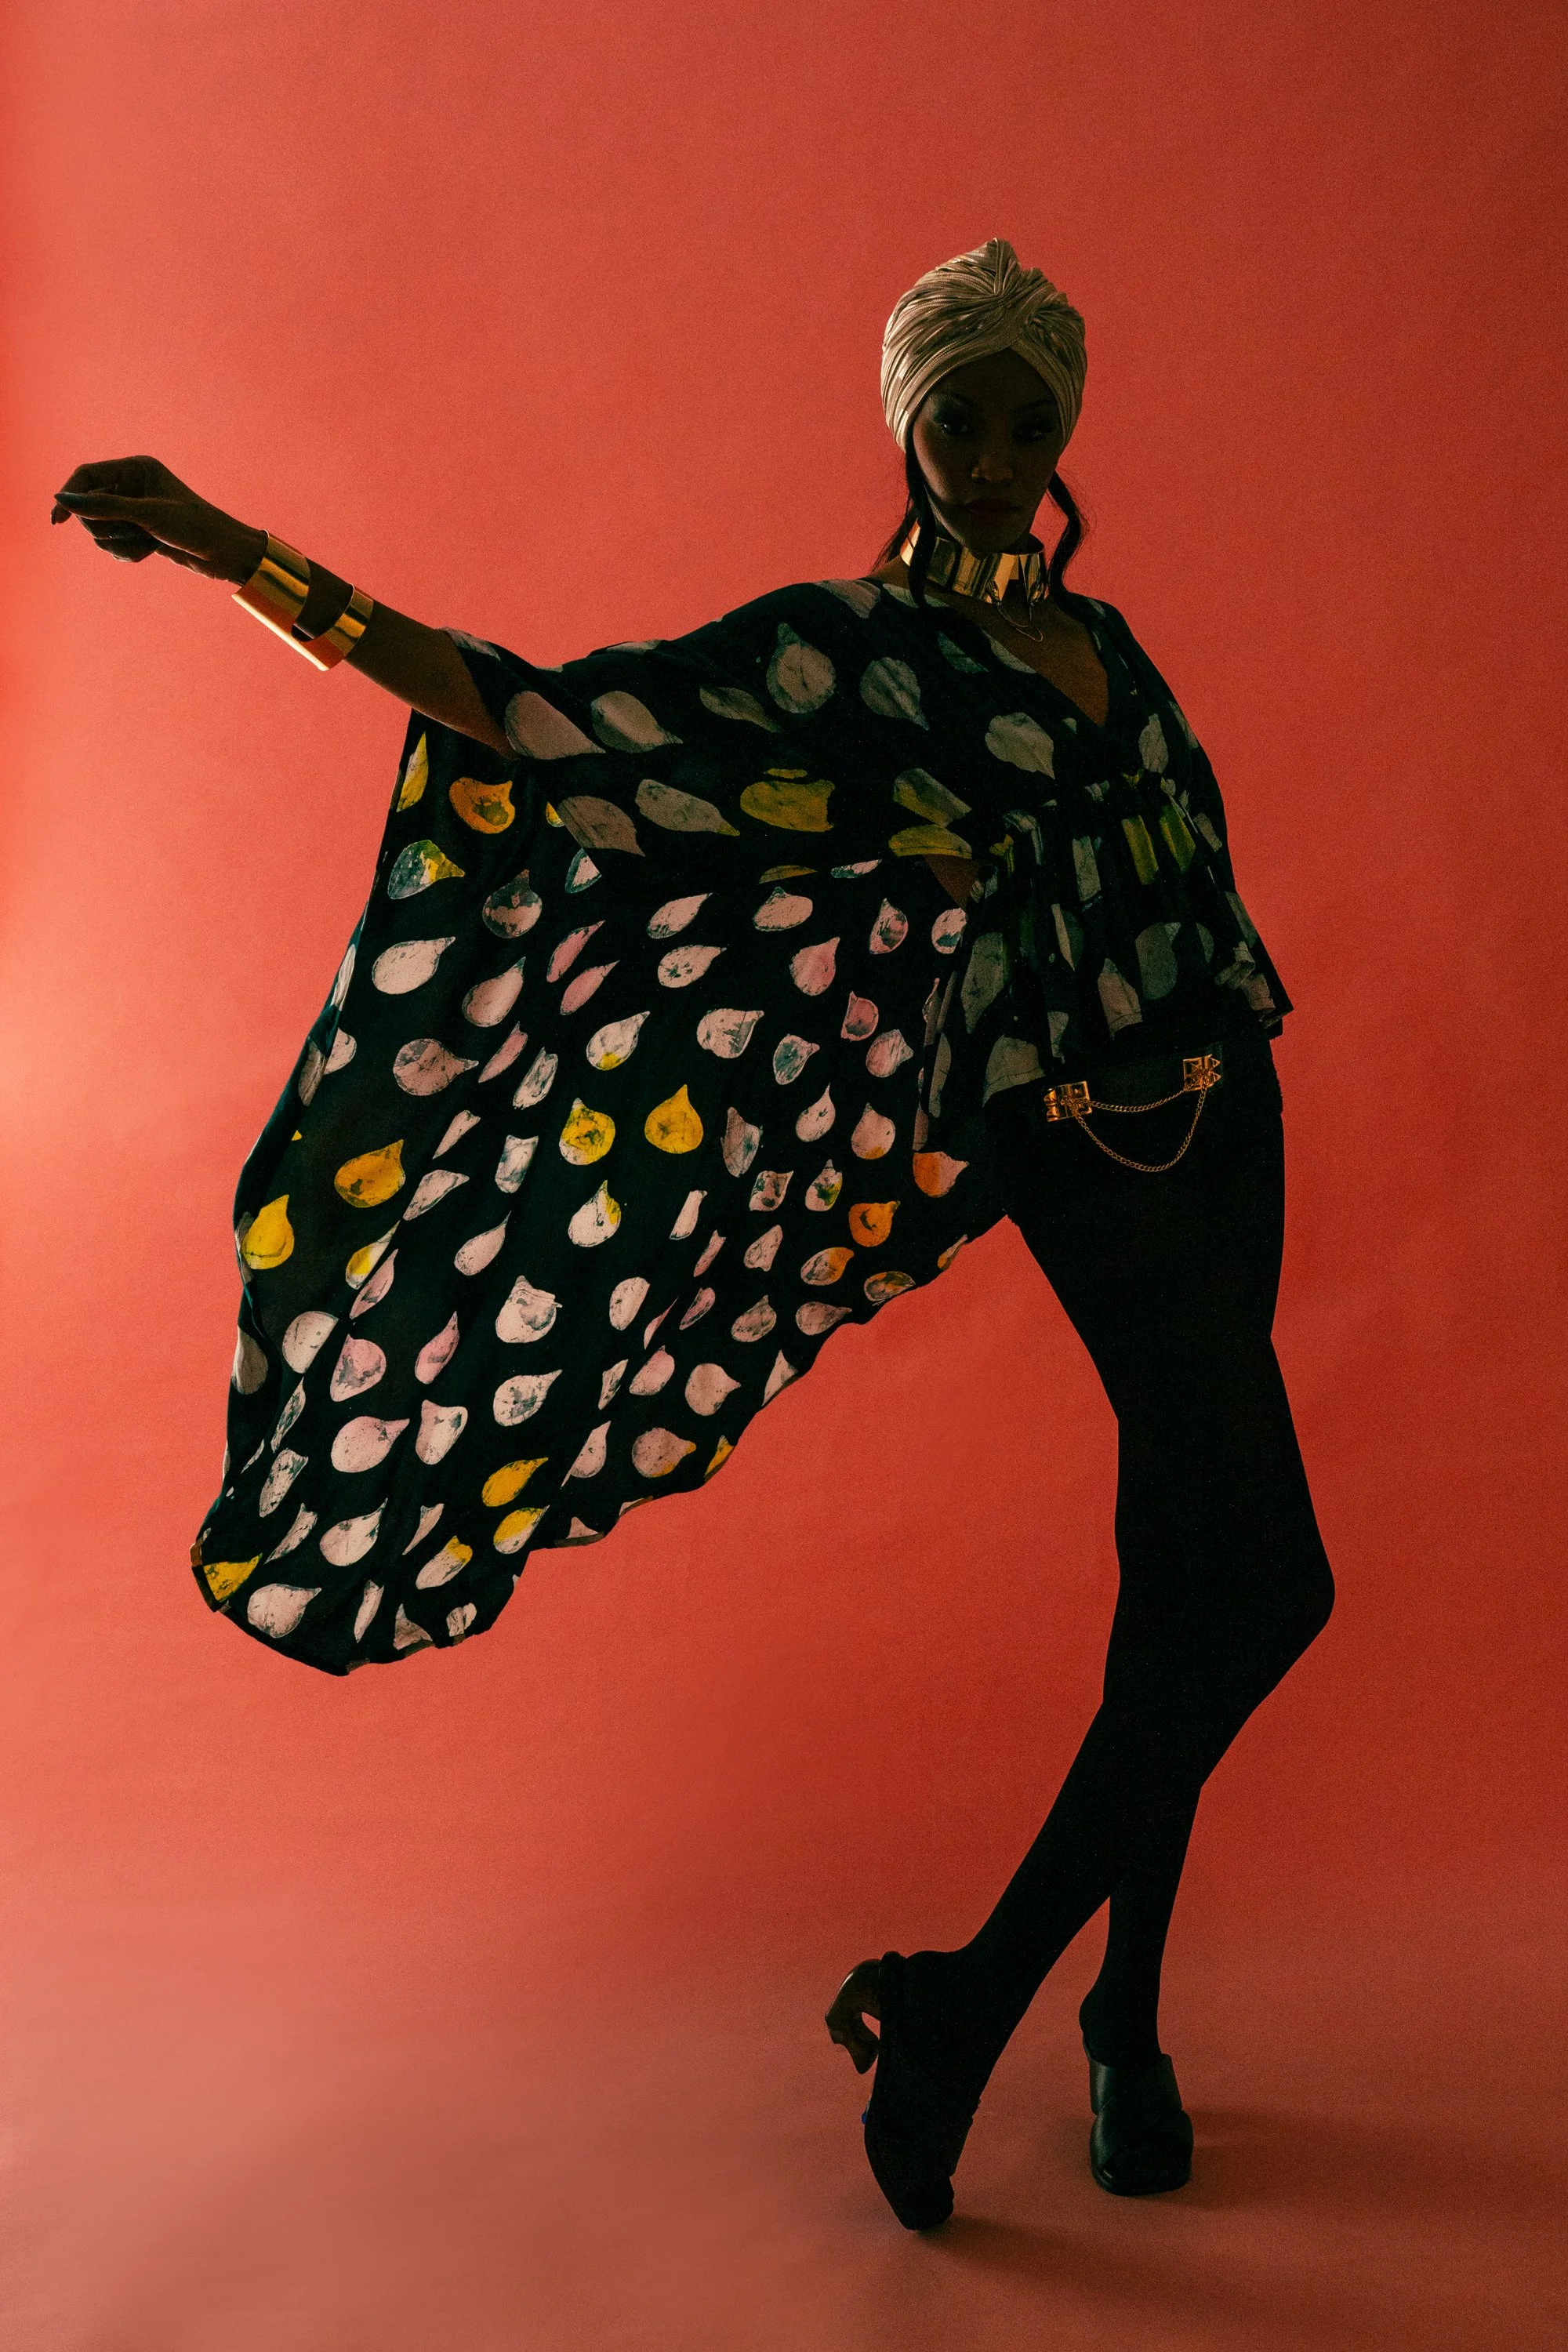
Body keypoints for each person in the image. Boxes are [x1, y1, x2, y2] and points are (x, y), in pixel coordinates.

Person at [52, 237, 1334, 2231]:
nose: (994, 456)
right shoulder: (857, 656)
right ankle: (968, 2010)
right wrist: (241, 555)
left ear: (1062, 437)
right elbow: (539, 720)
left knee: (1178, 1573)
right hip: (1083, 1137)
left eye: (1025, 421)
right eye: (958, 420)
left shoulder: (1119, 646)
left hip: (1233, 1105)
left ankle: (1125, 2027)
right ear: (906, 432)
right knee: (1270, 1587)